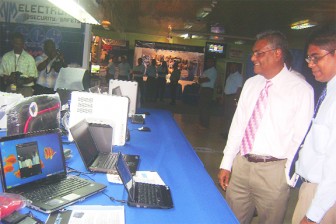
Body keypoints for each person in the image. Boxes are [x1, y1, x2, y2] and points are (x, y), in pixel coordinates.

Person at [217, 30, 314, 224]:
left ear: (277, 53)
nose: (253, 58)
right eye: (253, 53)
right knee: (231, 219)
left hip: (273, 172)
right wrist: (227, 163)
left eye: (259, 53)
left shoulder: (301, 89)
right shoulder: (251, 84)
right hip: (242, 166)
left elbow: (300, 137)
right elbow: (238, 125)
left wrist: (285, 175)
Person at [292, 25, 336, 224]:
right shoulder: (329, 92)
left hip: (321, 196)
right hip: (313, 189)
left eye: (316, 57)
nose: (310, 64)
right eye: (309, 58)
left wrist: (312, 215)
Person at [0, 32, 38, 97]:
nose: (18, 46)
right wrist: (9, 78)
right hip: (11, 86)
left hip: (26, 88)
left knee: (25, 106)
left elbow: (32, 77)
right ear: (12, 43)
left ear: (23, 44)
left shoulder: (29, 58)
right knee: (9, 106)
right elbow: (3, 75)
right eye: (16, 44)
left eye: (20, 44)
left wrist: (22, 81)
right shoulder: (6, 57)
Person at [221, 63, 243, 138]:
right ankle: (225, 131)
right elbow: (226, 86)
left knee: (230, 116)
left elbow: (239, 88)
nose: (231, 68)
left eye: (233, 66)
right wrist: (223, 97)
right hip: (227, 97)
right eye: (231, 67)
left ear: (236, 67)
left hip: (232, 97)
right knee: (225, 115)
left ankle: (229, 134)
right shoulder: (230, 75)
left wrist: (235, 99)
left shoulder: (239, 77)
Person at [198, 58, 217, 128]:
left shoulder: (213, 71)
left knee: (205, 107)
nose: (208, 63)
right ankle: (201, 122)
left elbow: (206, 79)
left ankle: (205, 124)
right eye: (208, 62)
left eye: (210, 62)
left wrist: (201, 80)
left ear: (213, 63)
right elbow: (200, 79)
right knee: (201, 106)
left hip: (208, 90)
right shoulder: (206, 70)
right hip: (203, 89)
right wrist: (201, 80)